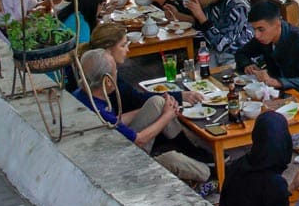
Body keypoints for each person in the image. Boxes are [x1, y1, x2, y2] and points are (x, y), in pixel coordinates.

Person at [70, 50, 209, 183]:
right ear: (107, 81)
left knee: (156, 102)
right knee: (174, 160)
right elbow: (139, 140)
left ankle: (188, 148)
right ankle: (210, 173)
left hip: (111, 147)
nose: (117, 74)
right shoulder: (99, 112)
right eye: (115, 72)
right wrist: (167, 116)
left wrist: (158, 109)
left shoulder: (82, 95)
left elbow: (117, 122)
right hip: (122, 167)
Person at [184, 0, 254, 67]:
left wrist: (202, 19)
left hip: (237, 56)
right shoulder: (208, 2)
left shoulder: (237, 6)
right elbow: (206, 37)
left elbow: (223, 45)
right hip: (214, 52)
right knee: (197, 77)